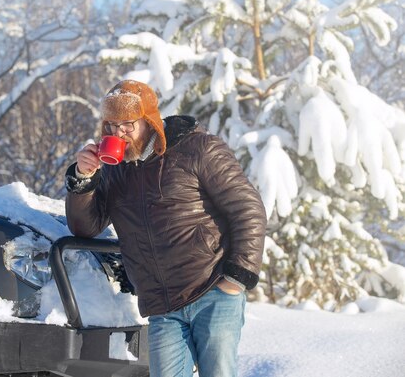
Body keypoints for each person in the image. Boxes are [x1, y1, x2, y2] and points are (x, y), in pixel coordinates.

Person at [64, 80, 267, 377]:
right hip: (162, 306)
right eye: (110, 126)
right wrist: (83, 178)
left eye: (127, 125)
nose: (117, 133)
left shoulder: (197, 148)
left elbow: (247, 208)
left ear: (148, 120)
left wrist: (236, 278)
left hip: (212, 289)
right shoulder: (114, 169)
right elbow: (86, 227)